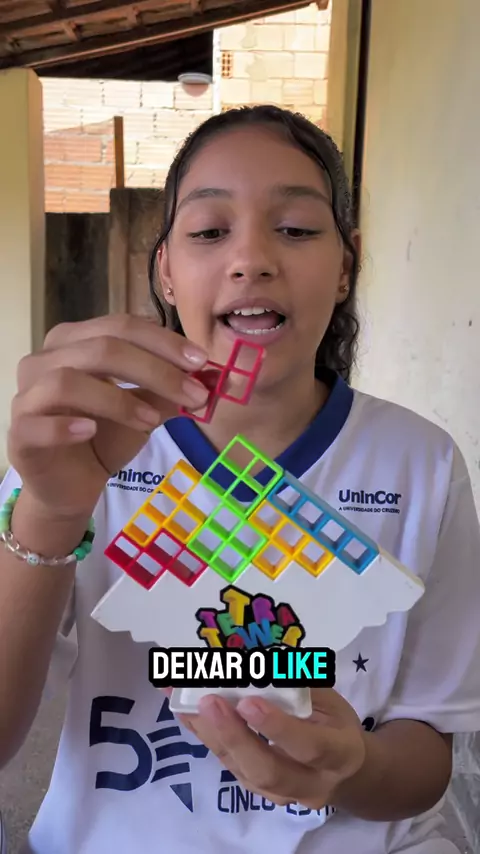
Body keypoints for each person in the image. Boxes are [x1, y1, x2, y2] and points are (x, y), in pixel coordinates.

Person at [0, 105, 479, 854]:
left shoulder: (423, 464)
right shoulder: (78, 440)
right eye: (208, 231)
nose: (251, 258)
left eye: (296, 228)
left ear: (347, 264)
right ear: (165, 269)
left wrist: (352, 766)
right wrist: (51, 511)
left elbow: (426, 762)